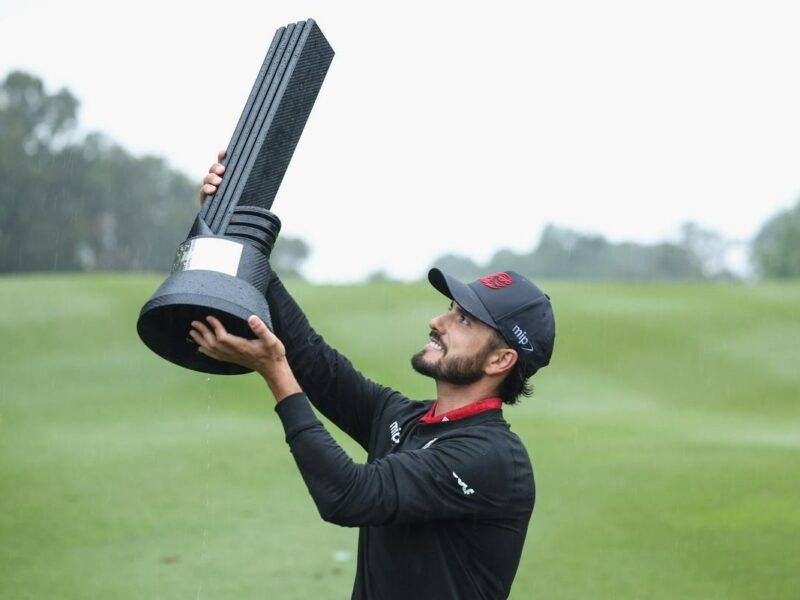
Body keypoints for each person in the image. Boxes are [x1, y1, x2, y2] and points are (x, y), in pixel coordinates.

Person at [191, 153, 556, 599]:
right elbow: (315, 361)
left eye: (464, 322)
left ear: (500, 361)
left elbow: (348, 495)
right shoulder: (404, 418)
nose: (438, 323)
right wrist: (238, 233)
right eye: (450, 310)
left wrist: (275, 371)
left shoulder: (493, 458)